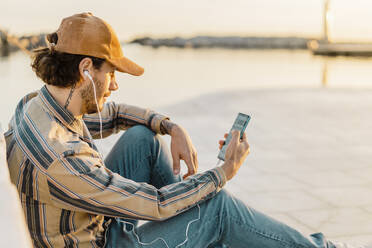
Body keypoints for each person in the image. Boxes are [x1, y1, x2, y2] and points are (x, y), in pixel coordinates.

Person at [4, 12, 365, 248]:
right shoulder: (61, 158)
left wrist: (168, 124)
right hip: (101, 243)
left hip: (89, 223)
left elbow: (110, 115)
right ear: (86, 69)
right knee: (216, 207)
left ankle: (204, 226)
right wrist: (223, 173)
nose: (114, 85)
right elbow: (156, 205)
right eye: (111, 73)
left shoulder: (37, 106)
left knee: (143, 139)